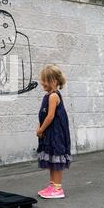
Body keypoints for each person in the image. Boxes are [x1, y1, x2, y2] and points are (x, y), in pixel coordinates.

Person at [36, 65, 71, 199]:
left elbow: (50, 116)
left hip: (55, 133)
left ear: (54, 81)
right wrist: (39, 125)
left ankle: (57, 188)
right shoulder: (48, 95)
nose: (42, 83)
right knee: (51, 159)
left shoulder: (53, 96)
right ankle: (53, 185)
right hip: (50, 132)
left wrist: (41, 129)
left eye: (45, 80)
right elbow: (44, 115)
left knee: (56, 159)